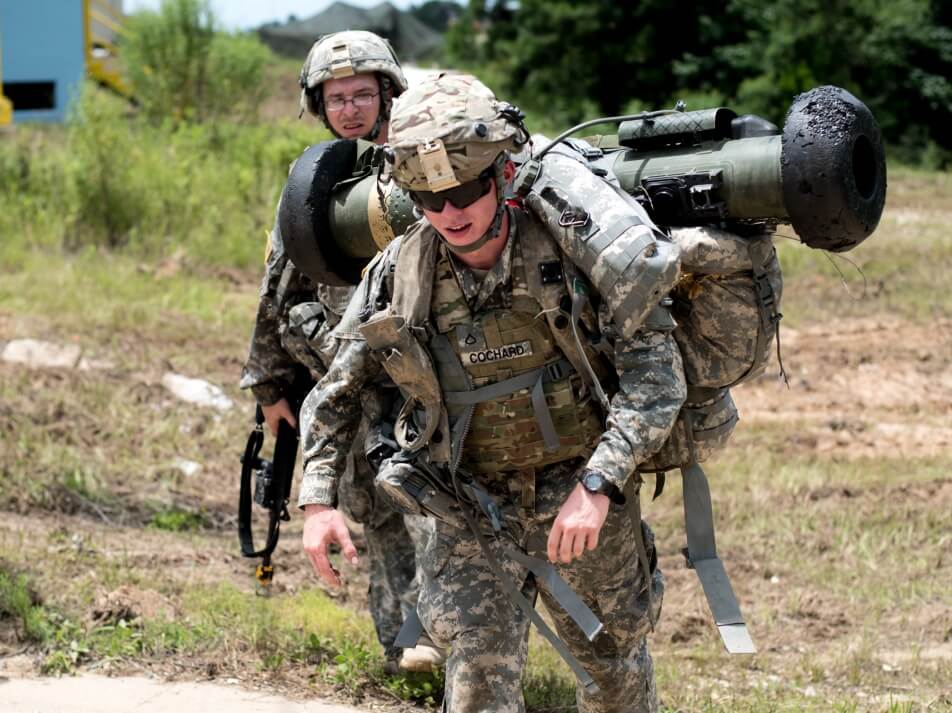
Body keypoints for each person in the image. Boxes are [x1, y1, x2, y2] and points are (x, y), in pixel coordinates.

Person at [299, 73, 686, 712]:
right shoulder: (402, 272)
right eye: (429, 198)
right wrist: (317, 502)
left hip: (580, 488)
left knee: (611, 668)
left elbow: (656, 375)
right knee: (476, 677)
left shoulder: (572, 250)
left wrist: (599, 486)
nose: (451, 213)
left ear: (501, 176)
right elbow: (337, 393)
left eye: (466, 190)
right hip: (470, 502)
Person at [239, 30, 442, 674]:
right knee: (377, 515)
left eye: (362, 94)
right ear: (318, 105)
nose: (350, 108)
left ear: (389, 92)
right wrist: (270, 387)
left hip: (428, 376)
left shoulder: (431, 161)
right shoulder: (314, 182)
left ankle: (452, 640)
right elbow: (278, 286)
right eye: (336, 98)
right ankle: (404, 647)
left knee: (435, 509)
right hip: (343, 373)